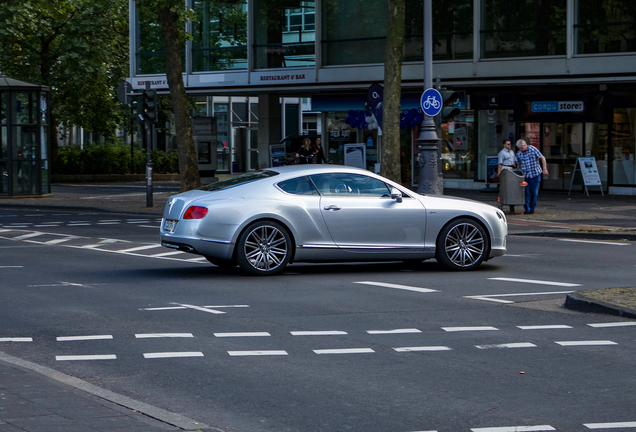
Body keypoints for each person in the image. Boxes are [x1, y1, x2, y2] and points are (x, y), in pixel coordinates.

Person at [515, 139, 548, 215]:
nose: (521, 150)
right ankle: (527, 209)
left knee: (534, 193)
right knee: (525, 193)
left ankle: (532, 208)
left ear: (525, 145)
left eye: (522, 148)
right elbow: (518, 164)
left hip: (535, 174)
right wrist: (519, 175)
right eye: (519, 148)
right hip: (525, 176)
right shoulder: (519, 153)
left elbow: (542, 158)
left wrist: (544, 169)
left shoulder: (533, 149)